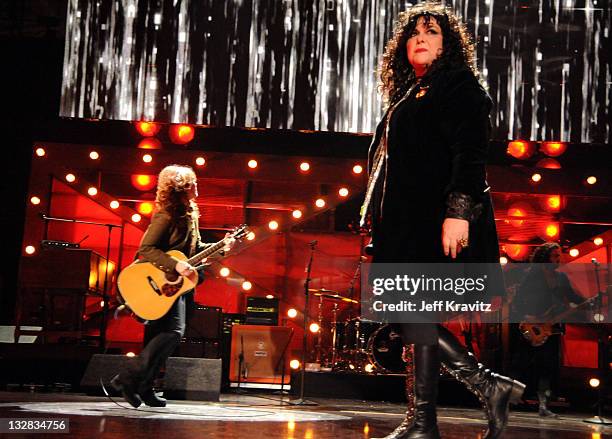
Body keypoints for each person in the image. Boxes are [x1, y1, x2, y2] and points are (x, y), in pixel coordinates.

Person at [362, 3, 525, 438]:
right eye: (414, 32)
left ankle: (443, 411)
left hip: (433, 218)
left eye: (431, 31)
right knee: (407, 315)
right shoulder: (410, 93)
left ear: (447, 44)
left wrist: (458, 212)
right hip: (405, 224)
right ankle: (433, 417)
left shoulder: (457, 84)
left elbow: (470, 153)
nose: (420, 37)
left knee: (413, 314)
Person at [111, 164, 233, 408]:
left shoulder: (190, 215)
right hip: (161, 280)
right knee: (173, 332)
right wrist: (176, 266)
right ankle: (127, 378)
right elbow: (146, 249)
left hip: (178, 286)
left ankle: (144, 388)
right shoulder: (166, 214)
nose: (198, 186)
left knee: (161, 336)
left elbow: (192, 251)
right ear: (183, 187)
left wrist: (220, 246)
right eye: (193, 182)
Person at [510, 242, 584, 417]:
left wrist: (593, 300)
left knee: (548, 367)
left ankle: (544, 406)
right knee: (520, 364)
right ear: (544, 258)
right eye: (555, 256)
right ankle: (507, 401)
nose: (559, 259)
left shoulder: (561, 278)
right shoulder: (531, 275)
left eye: (559, 256)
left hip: (551, 328)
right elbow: (517, 302)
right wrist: (528, 317)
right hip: (531, 326)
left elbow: (574, 298)